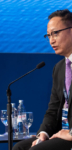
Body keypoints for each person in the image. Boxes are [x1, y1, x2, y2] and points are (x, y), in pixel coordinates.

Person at [13, 9, 72, 150]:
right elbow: (53, 109)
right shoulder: (59, 68)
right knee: (19, 148)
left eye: (56, 33)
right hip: (60, 133)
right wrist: (44, 133)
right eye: (49, 35)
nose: (51, 40)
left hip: (69, 136)